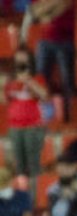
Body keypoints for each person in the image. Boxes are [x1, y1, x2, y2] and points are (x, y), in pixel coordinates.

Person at [1, 49, 50, 190]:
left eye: (24, 59)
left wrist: (29, 81)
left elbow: (44, 95)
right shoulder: (10, 81)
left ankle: (37, 196)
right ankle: (23, 195)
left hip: (33, 127)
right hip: (15, 127)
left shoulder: (37, 77)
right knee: (19, 166)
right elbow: (5, 100)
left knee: (34, 165)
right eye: (18, 59)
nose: (21, 62)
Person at [29, 0, 76, 119]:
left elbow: (67, 3)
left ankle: (68, 113)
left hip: (66, 39)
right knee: (40, 79)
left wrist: (47, 9)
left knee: (67, 80)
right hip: (45, 41)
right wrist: (56, 4)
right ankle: (44, 114)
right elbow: (35, 12)